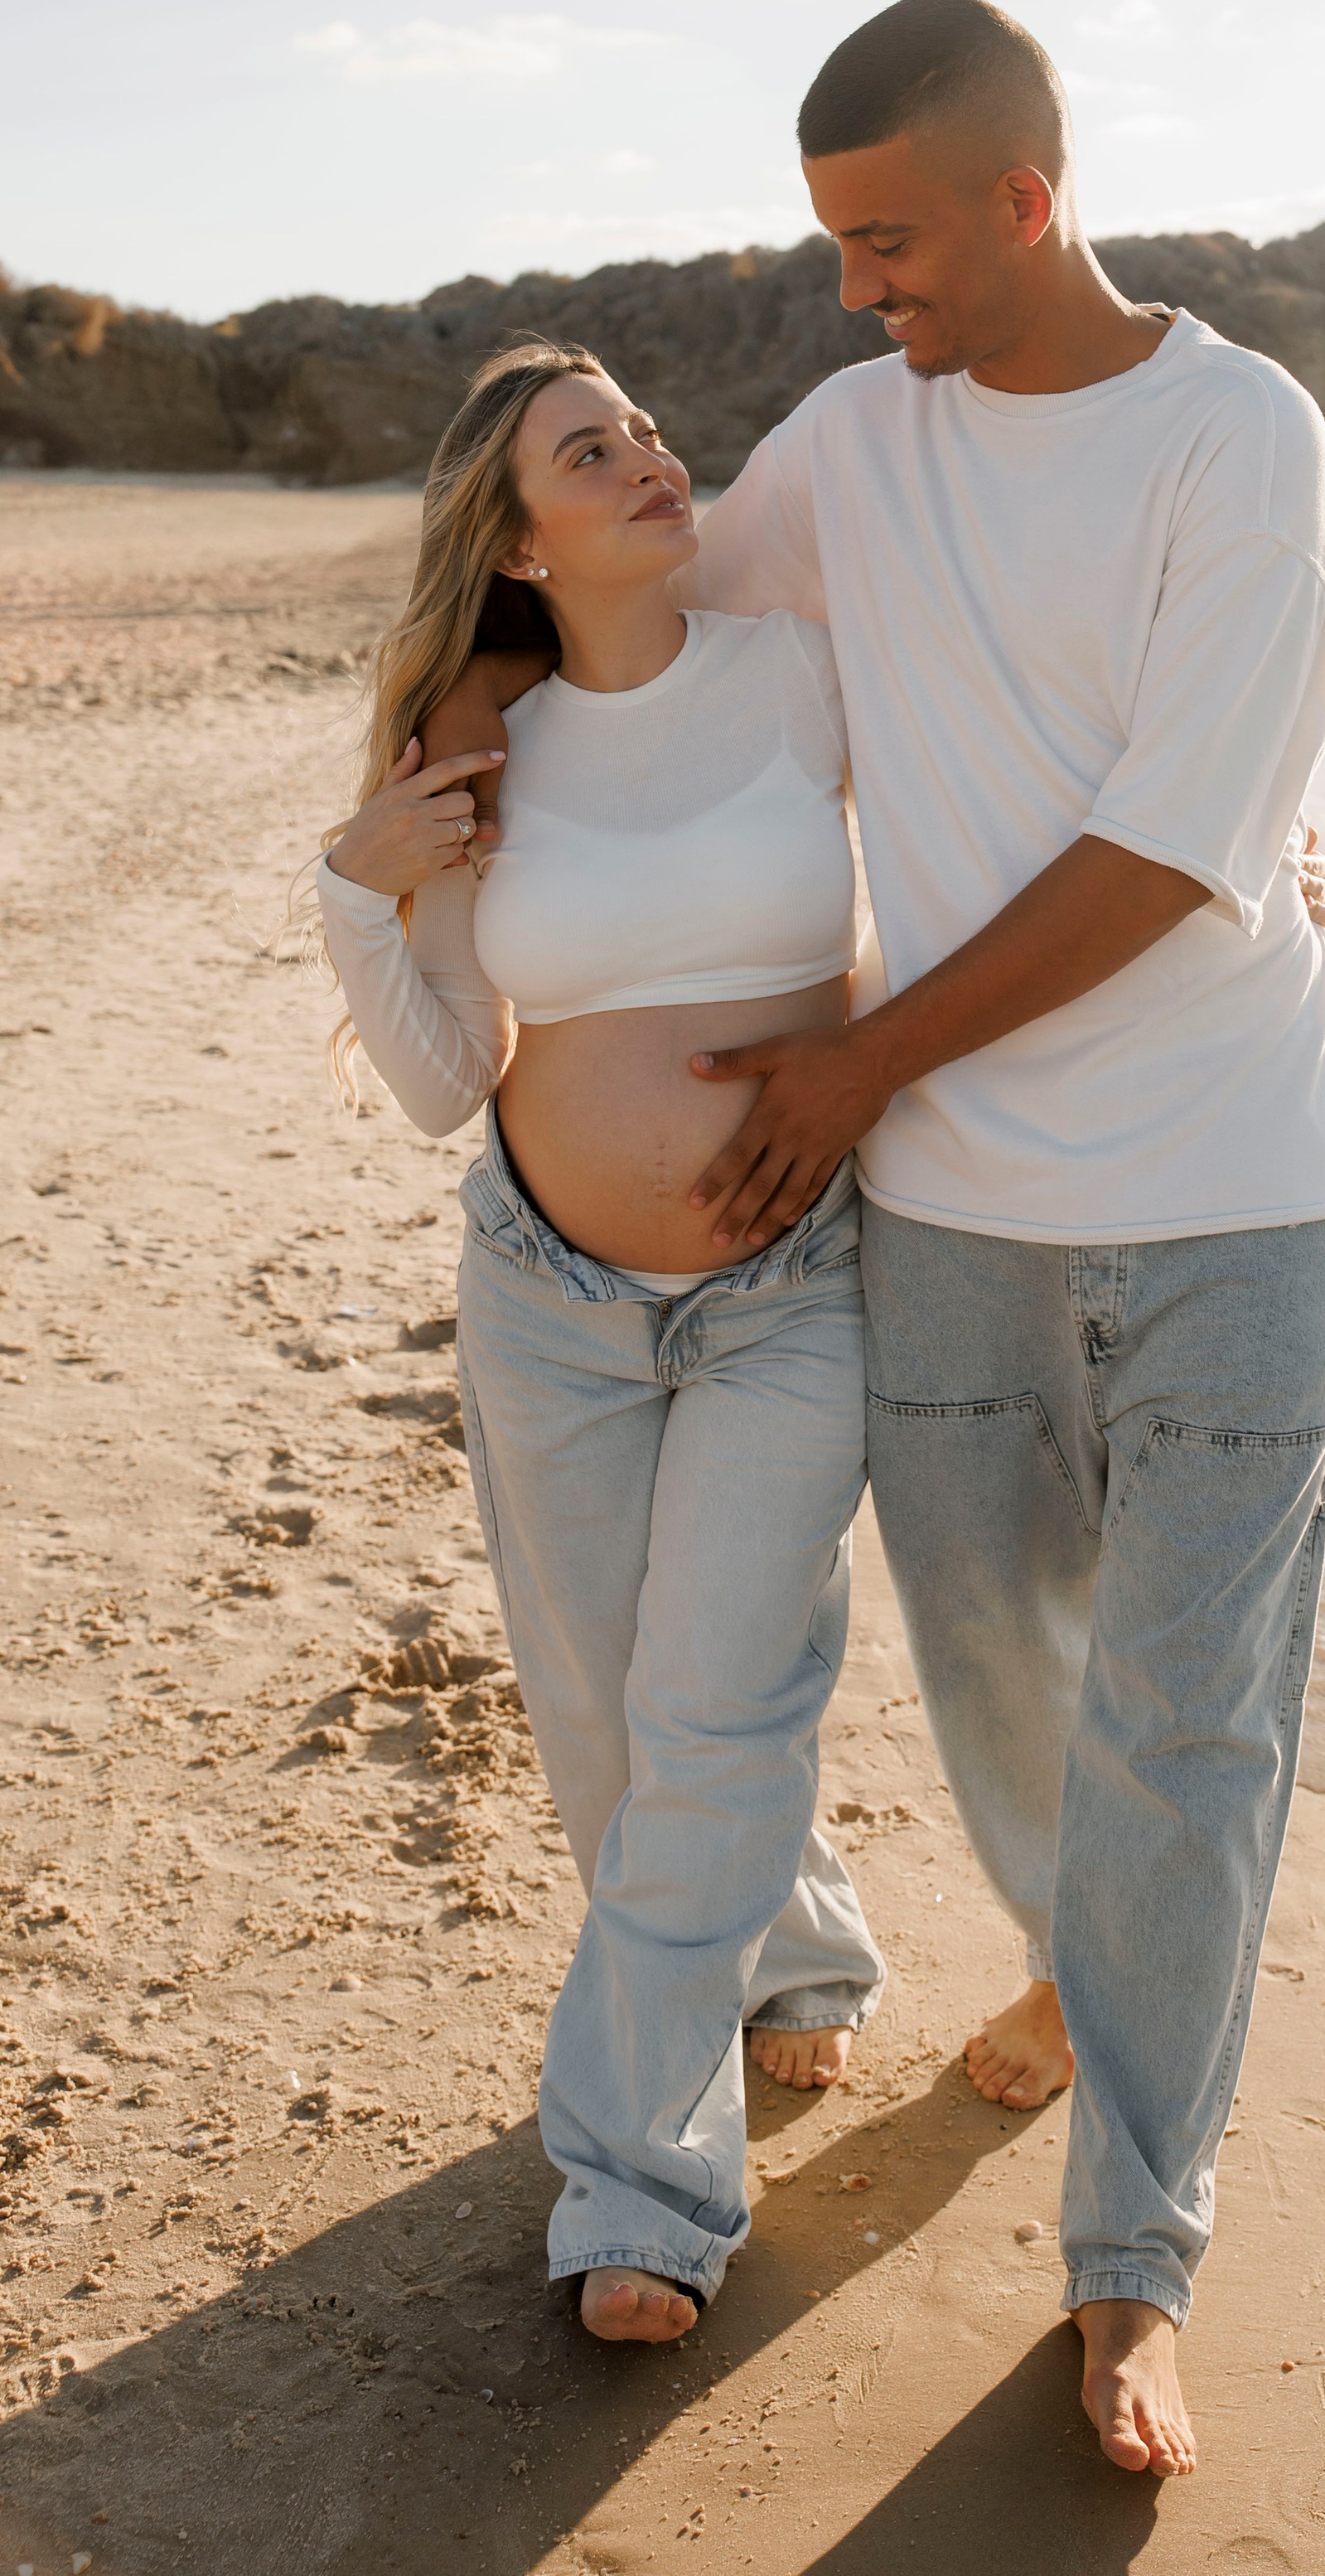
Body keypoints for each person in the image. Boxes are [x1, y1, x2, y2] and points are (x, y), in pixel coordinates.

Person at [437, 0, 1325, 2481]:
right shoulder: (857, 450)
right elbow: (625, 626)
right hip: (951, 1227)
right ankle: (1093, 1963)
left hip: (1236, 1196)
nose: (855, 296)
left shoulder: (1233, 431)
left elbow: (1173, 848)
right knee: (1002, 1706)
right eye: (835, 248)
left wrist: (859, 1056)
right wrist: (432, 771)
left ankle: (1132, 2259)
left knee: (1188, 1723)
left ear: (1023, 203)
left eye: (887, 245)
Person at [315, 339, 884, 2348]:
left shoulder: (807, 666)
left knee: (716, 1699)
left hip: (791, 1291)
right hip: (548, 1300)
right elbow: (439, 1076)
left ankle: (641, 2179)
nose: (649, 458)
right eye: (592, 450)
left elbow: (996, 817)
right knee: (606, 1716)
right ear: (523, 540)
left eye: (646, 429)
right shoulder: (482, 752)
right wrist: (353, 898)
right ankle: (795, 1942)